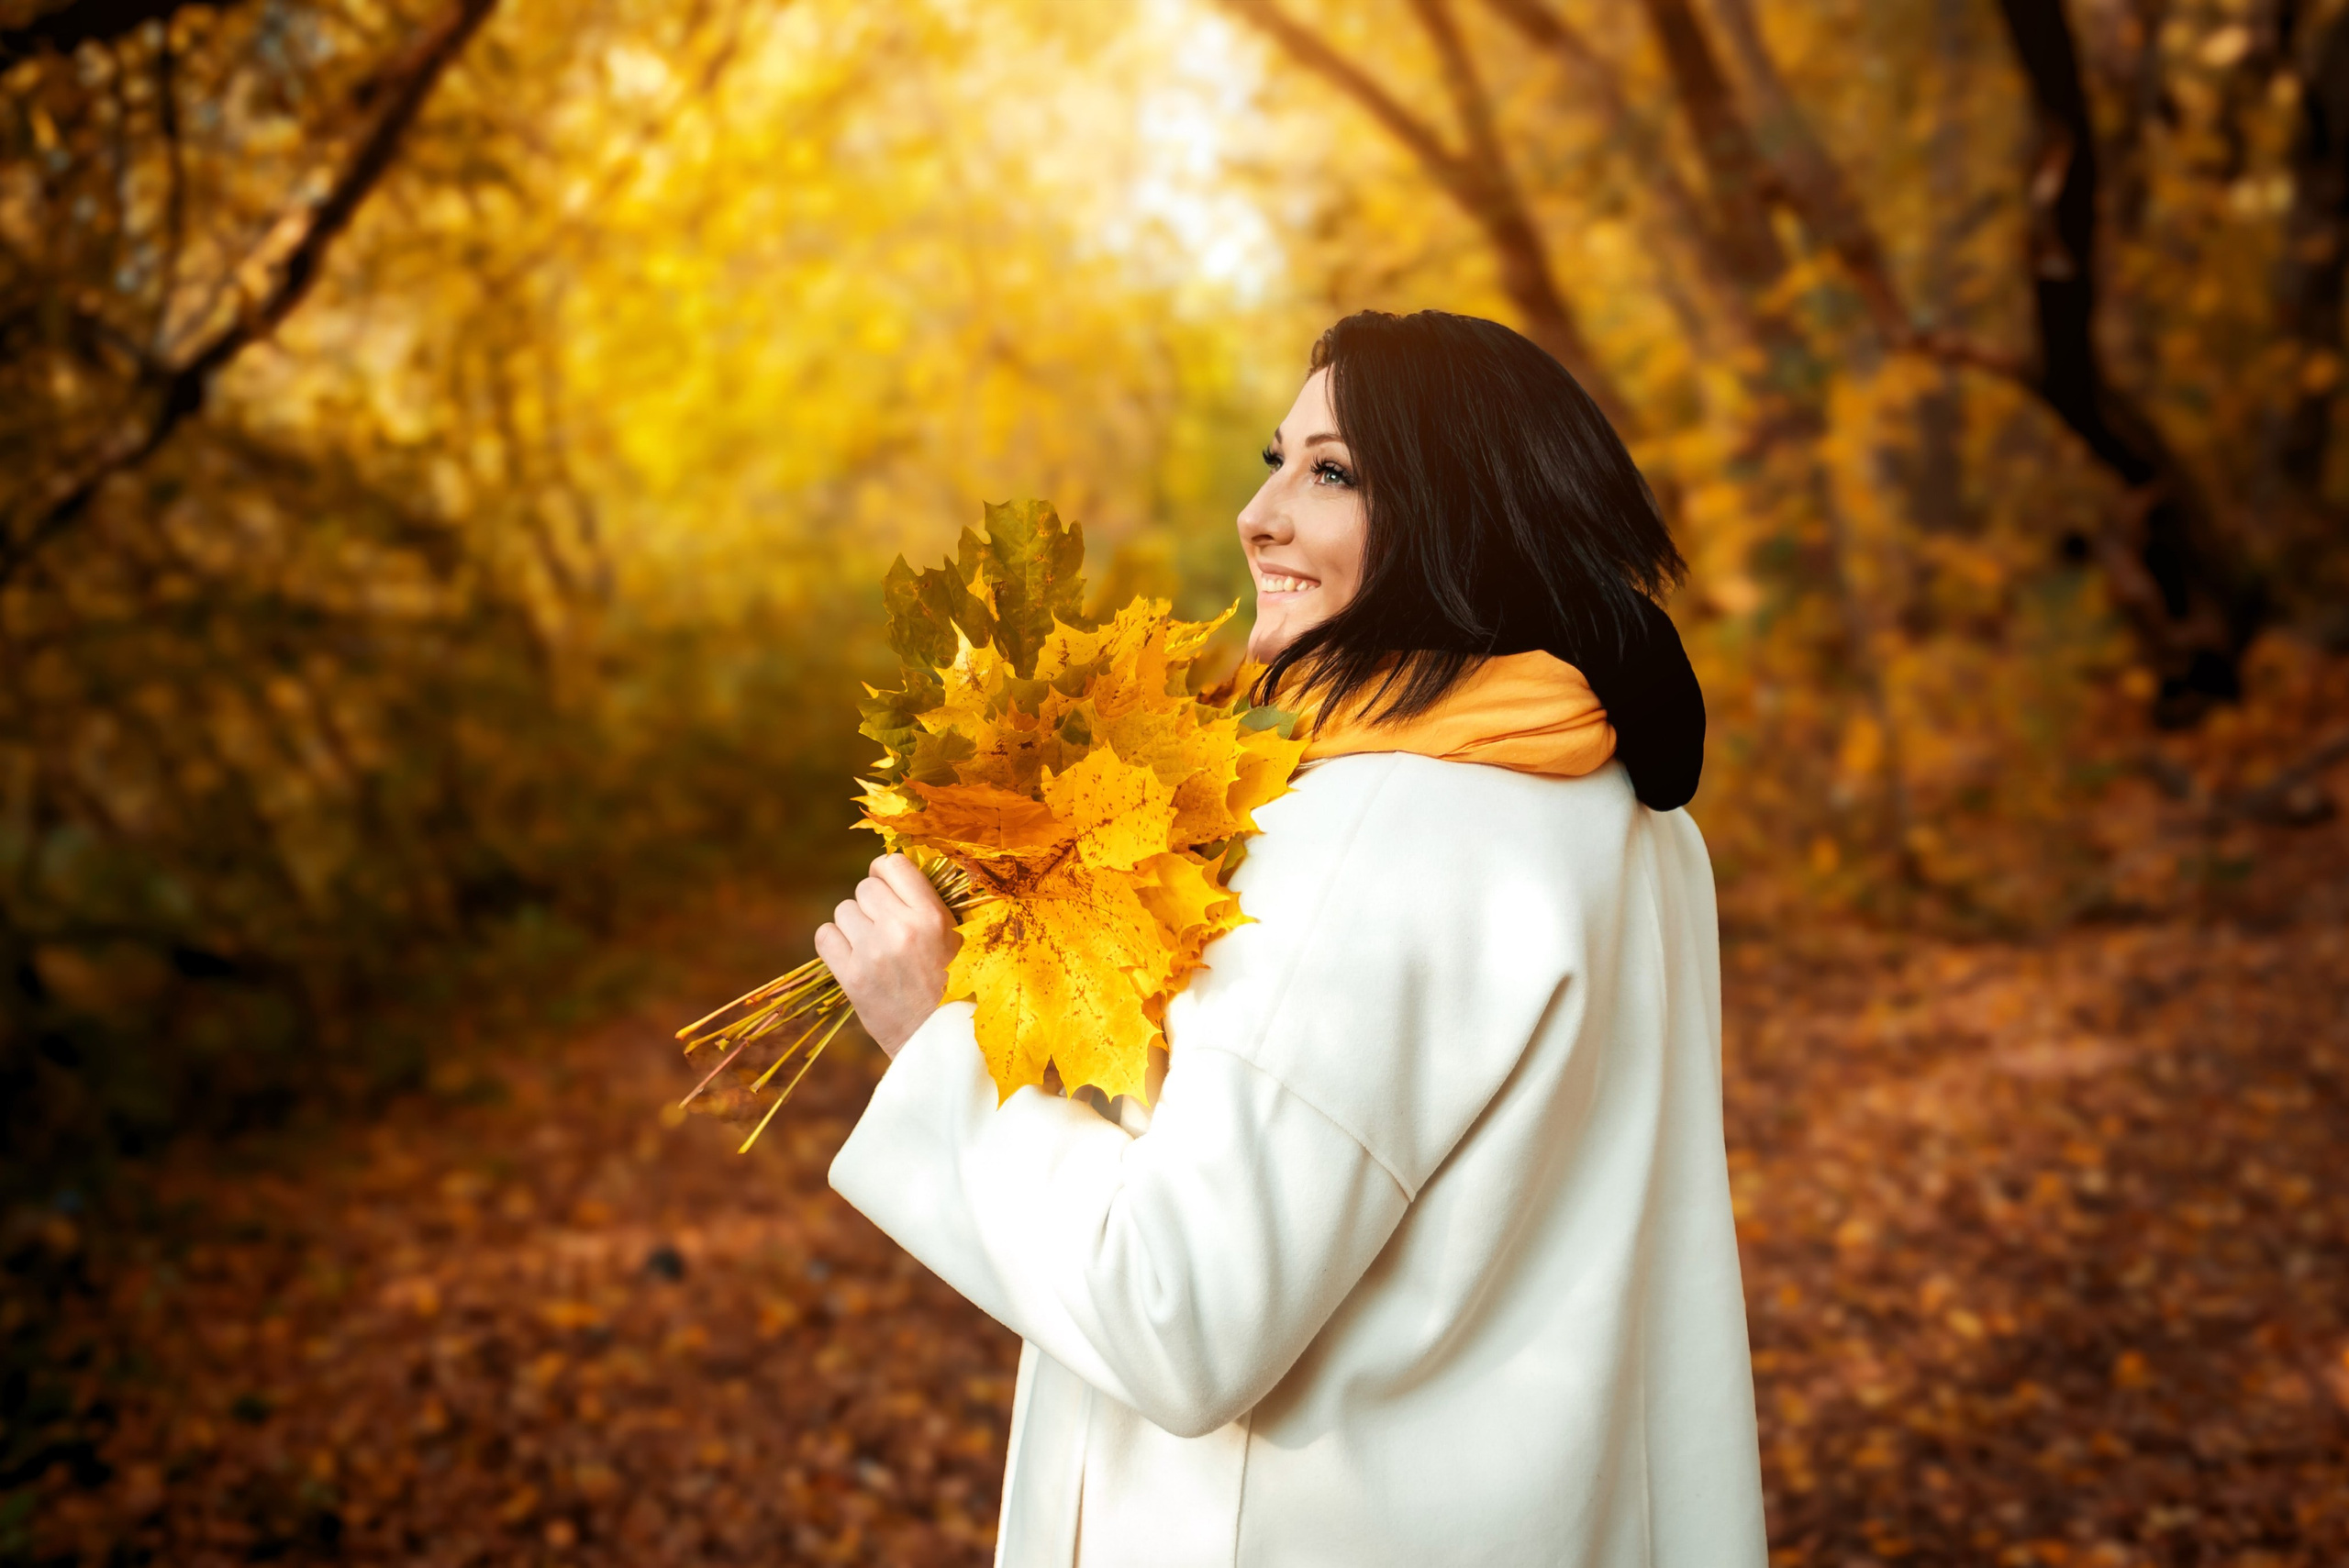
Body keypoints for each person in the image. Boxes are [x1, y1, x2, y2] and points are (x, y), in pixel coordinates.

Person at [817, 310, 1766, 1567]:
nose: (1261, 515)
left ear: (1459, 513)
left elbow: (1180, 1309)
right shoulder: (1617, 808)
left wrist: (938, 1040)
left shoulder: (1377, 831)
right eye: (1278, 460)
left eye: (1333, 472)